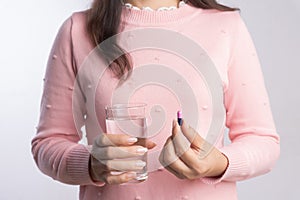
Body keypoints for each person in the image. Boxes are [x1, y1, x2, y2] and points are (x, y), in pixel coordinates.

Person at [31, 0, 280, 199]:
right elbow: (48, 142)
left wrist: (219, 163)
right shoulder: (77, 30)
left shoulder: (226, 26)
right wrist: (90, 163)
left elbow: (263, 140)